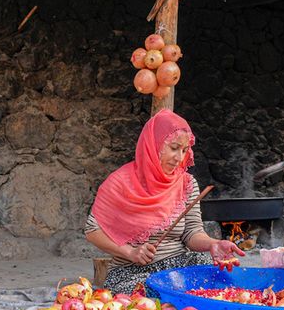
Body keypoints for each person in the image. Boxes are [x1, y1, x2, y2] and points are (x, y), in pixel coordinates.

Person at [85, 109, 244, 295]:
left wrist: (213, 244)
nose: (179, 158)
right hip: (131, 272)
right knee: (151, 294)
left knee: (221, 281)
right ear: (153, 145)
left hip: (178, 266)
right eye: (174, 148)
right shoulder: (119, 182)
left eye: (184, 150)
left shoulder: (186, 183)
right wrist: (130, 252)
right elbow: (92, 231)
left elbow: (192, 233)